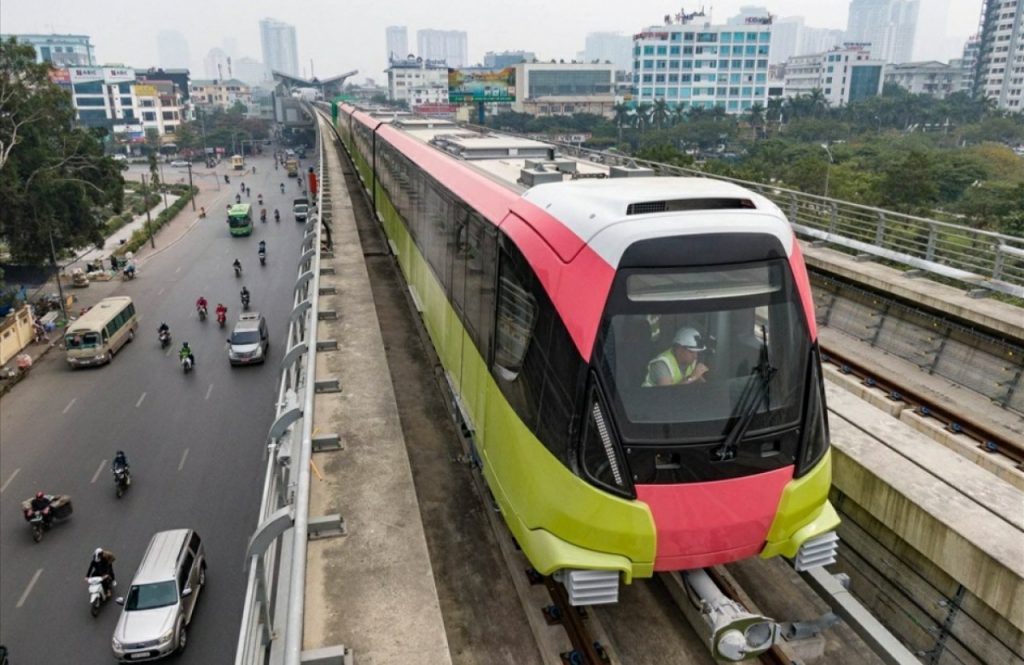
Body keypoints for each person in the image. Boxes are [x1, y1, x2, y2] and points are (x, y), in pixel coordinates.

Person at [644, 327, 710, 387]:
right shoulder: (662, 364)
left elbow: (701, 382)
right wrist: (692, 377)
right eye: (691, 352)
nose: (695, 356)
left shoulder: (691, 360)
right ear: (679, 349)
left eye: (697, 352)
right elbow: (666, 394)